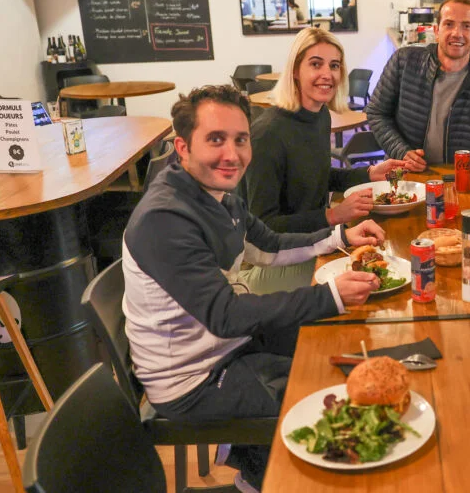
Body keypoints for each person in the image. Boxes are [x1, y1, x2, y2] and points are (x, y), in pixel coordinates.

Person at [122, 84, 386, 492]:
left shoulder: (218, 193)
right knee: (314, 415)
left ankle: (248, 459)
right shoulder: (165, 219)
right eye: (215, 139)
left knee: (329, 365)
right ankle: (260, 473)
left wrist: (341, 238)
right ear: (182, 147)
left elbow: (269, 246)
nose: (233, 154)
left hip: (222, 348)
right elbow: (225, 316)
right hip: (191, 380)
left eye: (240, 139)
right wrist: (330, 295)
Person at [242, 28, 411, 294]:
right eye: (315, 64)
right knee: (367, 278)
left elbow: (318, 175)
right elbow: (264, 226)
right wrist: (332, 216)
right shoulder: (268, 133)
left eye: (334, 65)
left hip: (309, 241)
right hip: (266, 265)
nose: (327, 74)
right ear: (295, 70)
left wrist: (370, 173)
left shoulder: (319, 115)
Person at [366, 0, 470, 170]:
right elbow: (377, 113)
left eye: (466, 26)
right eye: (449, 24)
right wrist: (401, 151)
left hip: (458, 179)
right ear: (436, 31)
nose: (457, 33)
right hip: (405, 173)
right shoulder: (404, 61)